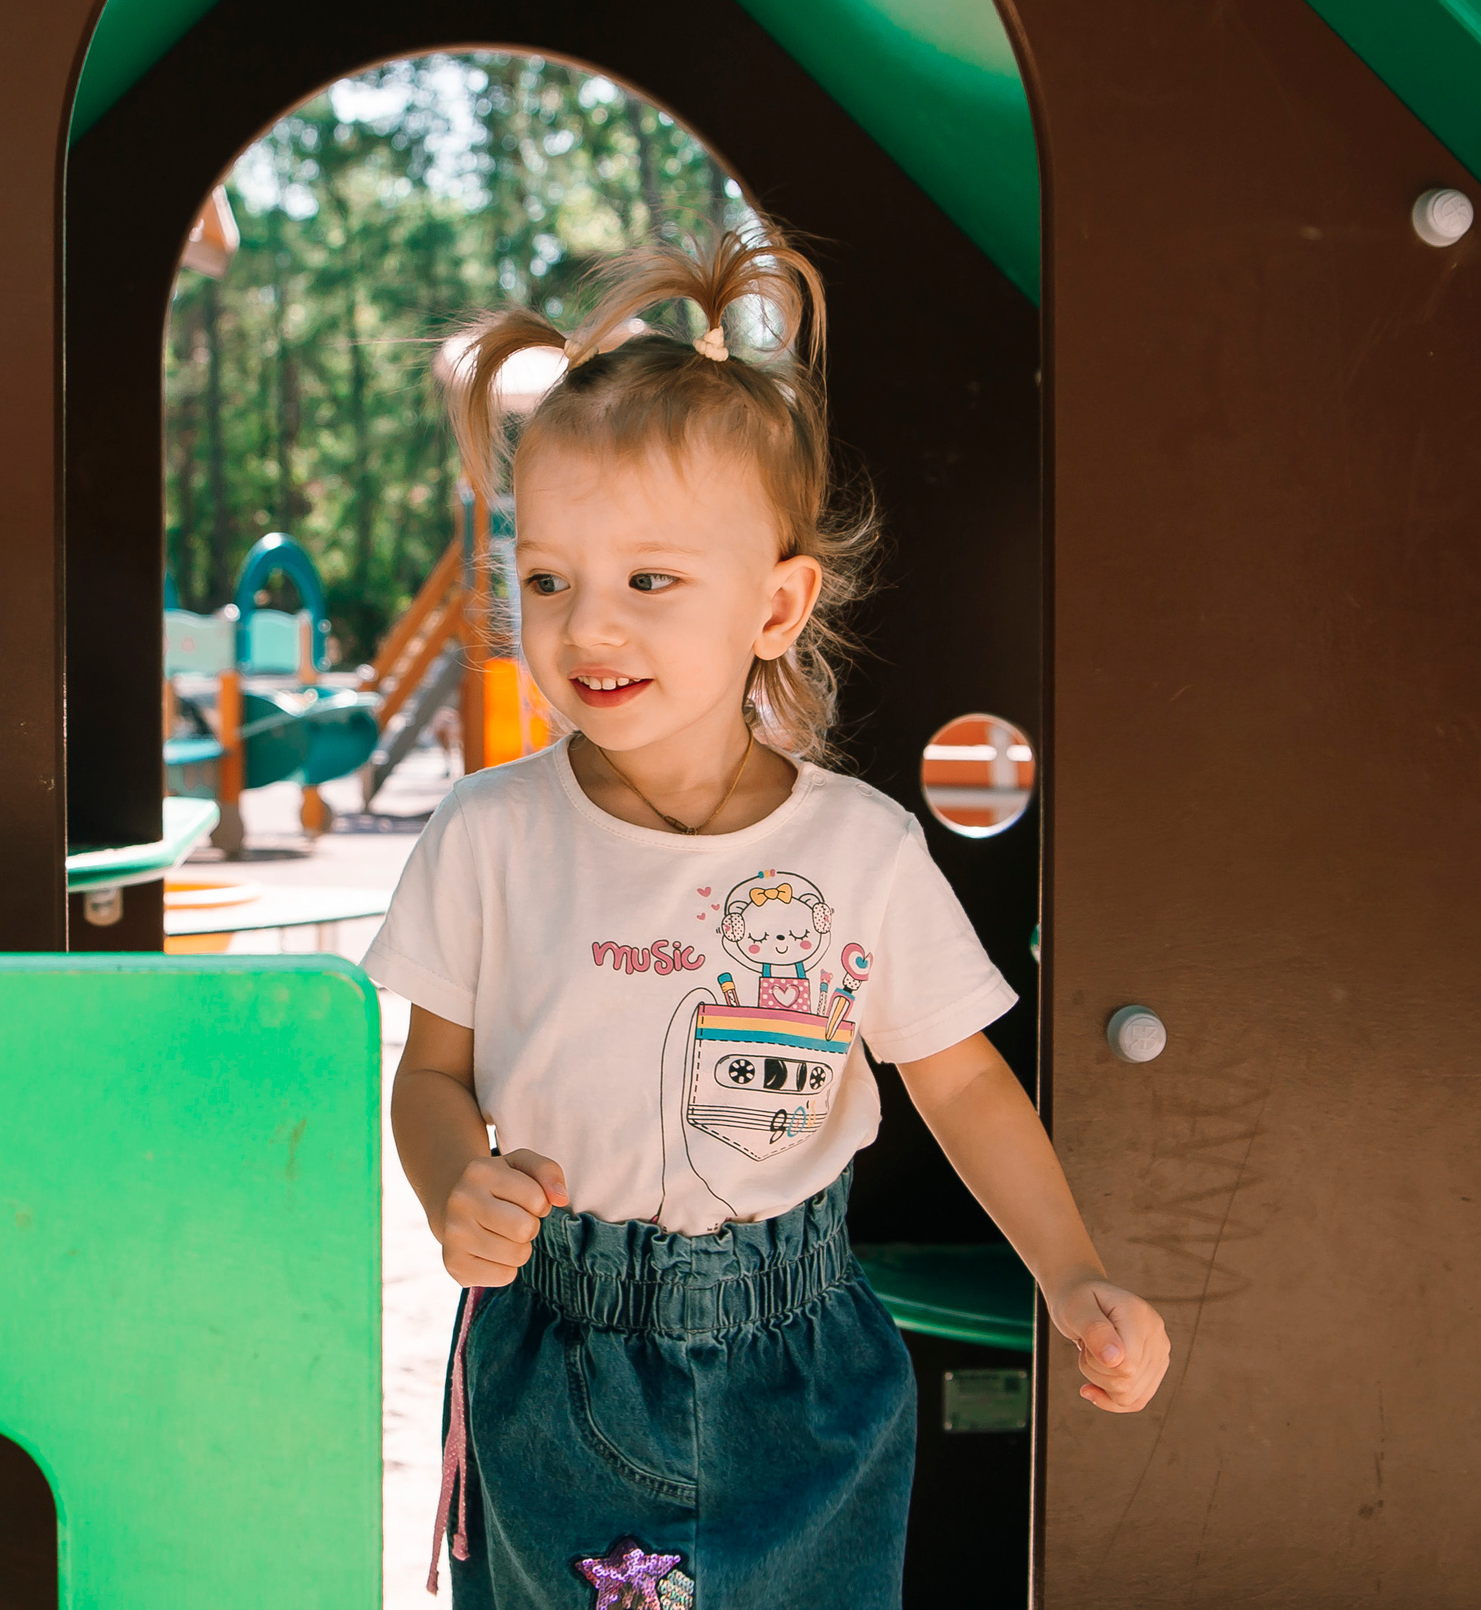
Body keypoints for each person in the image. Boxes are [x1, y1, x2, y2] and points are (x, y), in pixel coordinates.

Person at [366, 227, 1168, 1610]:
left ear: (777, 605)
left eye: (649, 581)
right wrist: (453, 1186)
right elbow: (431, 1078)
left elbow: (964, 1083)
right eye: (548, 578)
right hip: (558, 1354)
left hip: (805, 1368)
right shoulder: (491, 836)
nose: (587, 626)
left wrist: (1073, 1272)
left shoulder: (857, 853)